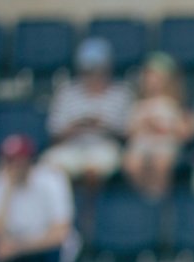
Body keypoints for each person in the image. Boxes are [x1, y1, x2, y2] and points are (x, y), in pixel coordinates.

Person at [0, 135, 74, 262]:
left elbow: (60, 232)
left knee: (60, 252)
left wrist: (17, 248)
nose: (15, 166)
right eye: (9, 161)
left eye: (19, 160)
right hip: (12, 245)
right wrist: (8, 191)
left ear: (30, 160)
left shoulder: (52, 180)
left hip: (43, 245)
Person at [44, 37, 133, 189]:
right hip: (71, 146)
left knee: (96, 168)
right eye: (89, 71)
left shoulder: (121, 93)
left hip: (105, 146)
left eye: (99, 71)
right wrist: (76, 127)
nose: (94, 76)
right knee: (49, 167)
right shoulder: (67, 93)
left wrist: (102, 126)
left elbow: (127, 133)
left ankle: (91, 211)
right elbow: (54, 132)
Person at [123, 54, 191, 200]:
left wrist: (164, 128)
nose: (152, 82)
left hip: (164, 144)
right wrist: (143, 125)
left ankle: (158, 198)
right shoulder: (138, 105)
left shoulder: (172, 104)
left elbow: (184, 131)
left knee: (161, 163)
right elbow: (129, 131)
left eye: (158, 78)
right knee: (131, 163)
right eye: (149, 77)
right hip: (141, 144)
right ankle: (143, 197)